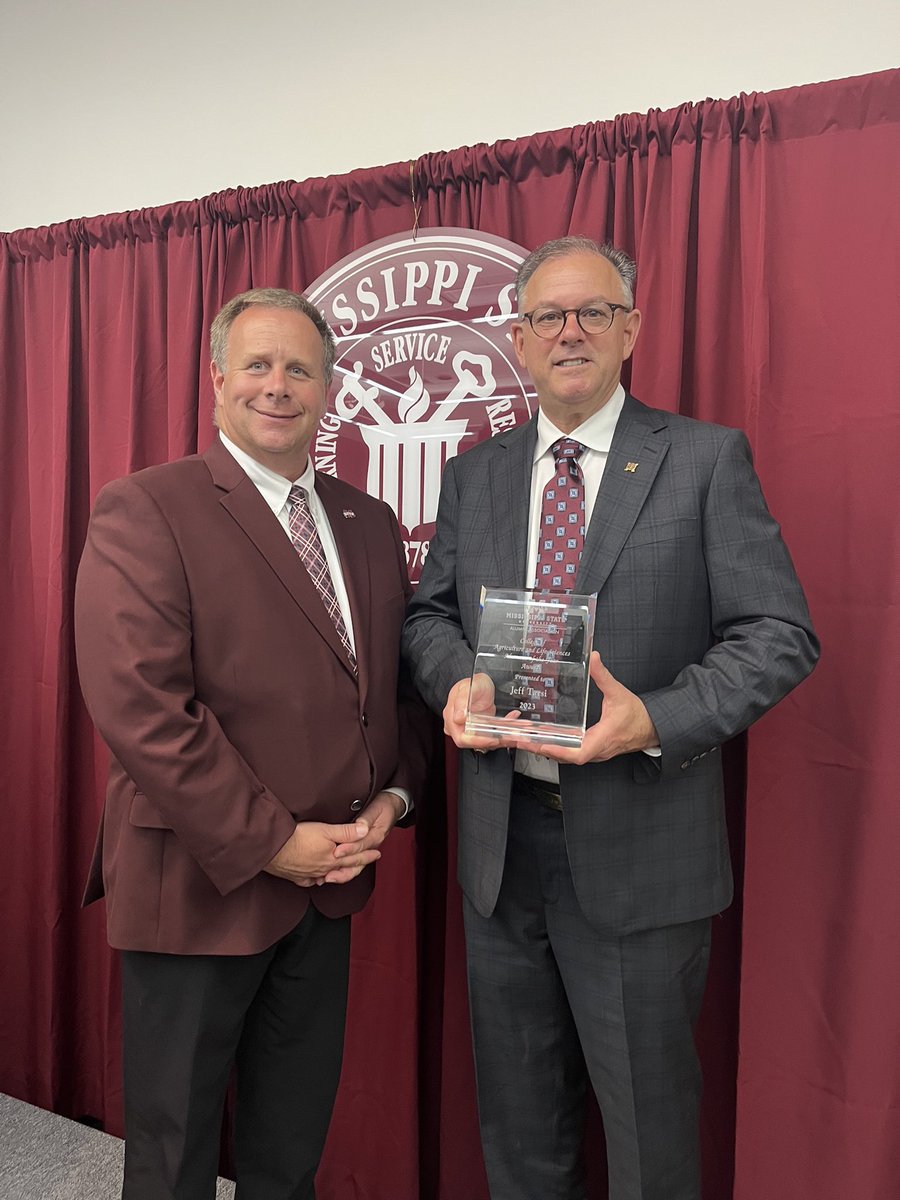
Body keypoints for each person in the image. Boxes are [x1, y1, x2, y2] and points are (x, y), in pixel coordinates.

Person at [402, 237, 819, 1200]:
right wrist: (457, 682)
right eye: (549, 316)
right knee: (519, 1130)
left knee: (648, 1138)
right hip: (502, 859)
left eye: (594, 312)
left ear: (632, 329)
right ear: (519, 339)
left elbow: (779, 634)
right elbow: (428, 616)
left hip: (641, 852)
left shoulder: (705, 460)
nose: (571, 331)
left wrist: (655, 720)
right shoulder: (476, 473)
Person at [75, 287, 428, 1200]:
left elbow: (389, 695)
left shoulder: (367, 521)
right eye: (260, 365)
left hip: (332, 886)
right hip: (201, 880)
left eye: (301, 368)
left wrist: (393, 798)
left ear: (330, 388)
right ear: (219, 377)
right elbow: (144, 707)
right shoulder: (147, 507)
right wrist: (277, 844)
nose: (280, 385)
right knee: (174, 1151)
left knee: (289, 1148)